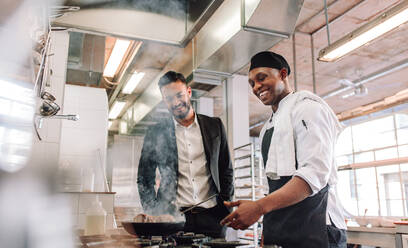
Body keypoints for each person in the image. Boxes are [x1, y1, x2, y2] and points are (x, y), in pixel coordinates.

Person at [220, 51, 347, 247]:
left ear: (283, 74)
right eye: (252, 83)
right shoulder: (268, 129)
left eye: (261, 78)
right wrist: (268, 227)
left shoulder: (308, 109)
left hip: (317, 229)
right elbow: (274, 185)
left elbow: (314, 174)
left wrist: (259, 207)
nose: (256, 87)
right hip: (283, 231)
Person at [137, 71, 234, 238]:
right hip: (172, 220)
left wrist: (225, 209)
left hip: (212, 218)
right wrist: (155, 212)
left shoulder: (215, 126)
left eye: (179, 95)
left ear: (188, 92)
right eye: (168, 99)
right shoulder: (155, 132)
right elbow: (144, 179)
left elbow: (226, 170)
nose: (175, 102)